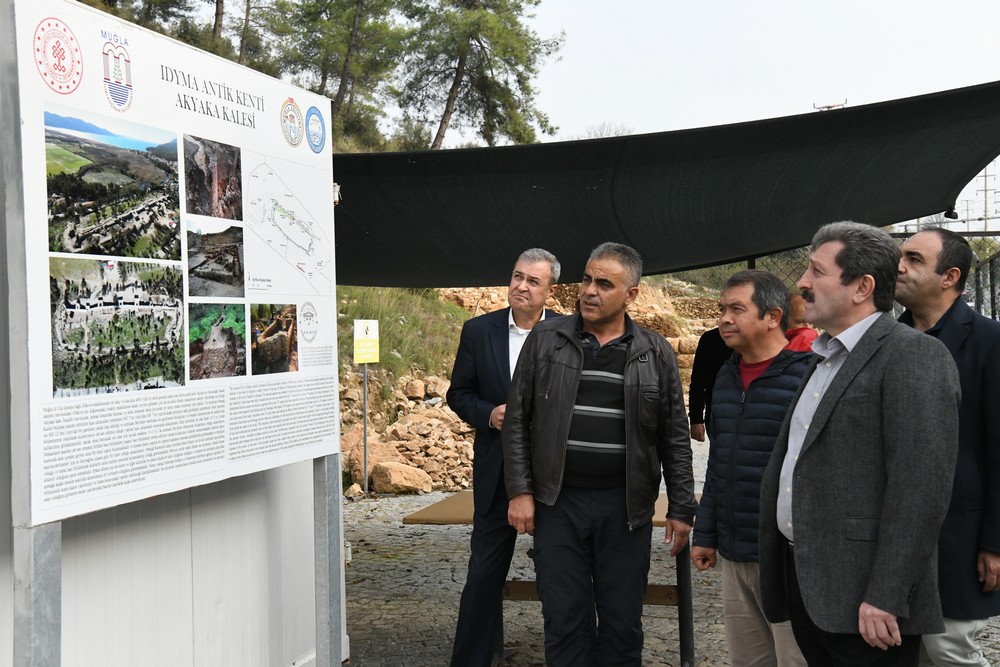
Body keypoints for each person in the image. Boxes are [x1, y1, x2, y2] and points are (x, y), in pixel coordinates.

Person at [758, 221, 961, 666]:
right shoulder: (823, 358)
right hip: (810, 589)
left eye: (816, 272)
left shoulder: (914, 356)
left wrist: (886, 594)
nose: (802, 283)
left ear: (862, 287)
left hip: (867, 607)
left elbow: (920, 490)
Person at [503, 242, 697, 666]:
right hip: (558, 504)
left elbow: (674, 437)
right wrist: (520, 491)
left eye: (604, 284)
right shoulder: (546, 339)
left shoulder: (654, 352)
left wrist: (682, 506)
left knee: (622, 622)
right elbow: (517, 420)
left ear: (631, 295)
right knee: (563, 619)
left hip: (625, 508)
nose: (589, 290)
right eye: (587, 279)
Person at [447, 247, 562, 667]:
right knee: (482, 576)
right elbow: (457, 394)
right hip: (496, 473)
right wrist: (488, 414)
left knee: (559, 577)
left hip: (555, 478)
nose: (521, 286)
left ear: (550, 290)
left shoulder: (569, 333)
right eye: (517, 276)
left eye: (533, 281)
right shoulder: (479, 331)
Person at [691, 270, 810, 667]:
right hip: (735, 552)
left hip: (788, 560)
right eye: (722, 308)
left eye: (736, 309)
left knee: (795, 659)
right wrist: (705, 533)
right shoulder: (725, 378)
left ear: (773, 316)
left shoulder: (807, 376)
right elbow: (719, 462)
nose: (724, 318)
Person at [895, 228, 1000, 667]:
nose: (898, 266)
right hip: (894, 535)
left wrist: (995, 541)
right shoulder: (886, 341)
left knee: (950, 651)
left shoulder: (989, 343)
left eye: (914, 259)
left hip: (958, 535)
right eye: (900, 256)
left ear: (949, 276)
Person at [688, 327, 731, 442]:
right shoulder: (711, 339)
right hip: (718, 419)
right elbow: (698, 381)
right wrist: (696, 420)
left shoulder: (762, 339)